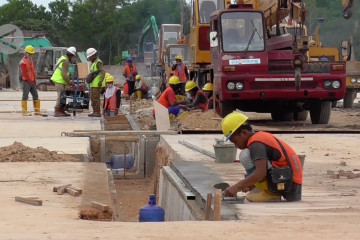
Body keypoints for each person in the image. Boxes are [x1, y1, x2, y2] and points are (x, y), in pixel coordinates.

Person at [221, 112, 303, 202]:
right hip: (291, 184)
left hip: (290, 185)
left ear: (244, 133)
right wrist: (248, 185)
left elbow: (261, 173)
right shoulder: (260, 137)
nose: (236, 146)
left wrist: (237, 187)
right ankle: (264, 189)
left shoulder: (256, 144)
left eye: (235, 141)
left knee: (245, 155)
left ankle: (271, 194)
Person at [50, 46, 77, 117]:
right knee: (60, 96)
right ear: (71, 55)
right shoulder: (65, 62)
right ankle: (57, 111)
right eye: (73, 56)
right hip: (59, 80)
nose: (73, 58)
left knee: (62, 96)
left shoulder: (63, 58)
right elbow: (64, 75)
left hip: (59, 80)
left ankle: (61, 111)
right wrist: (70, 83)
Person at [19, 45, 41, 116]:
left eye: (31, 54)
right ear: (26, 53)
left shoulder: (31, 61)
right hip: (26, 82)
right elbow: (24, 73)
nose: (31, 55)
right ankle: (24, 112)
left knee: (36, 96)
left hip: (32, 82)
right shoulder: (23, 62)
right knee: (25, 96)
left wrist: (34, 81)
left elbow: (32, 72)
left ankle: (37, 111)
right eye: (29, 53)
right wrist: (30, 81)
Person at [86, 48, 105, 117]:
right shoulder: (93, 63)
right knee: (92, 98)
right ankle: (94, 111)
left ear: (94, 55)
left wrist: (101, 81)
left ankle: (97, 112)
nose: (90, 59)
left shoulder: (98, 62)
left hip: (97, 84)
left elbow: (103, 72)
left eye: (90, 57)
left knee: (96, 98)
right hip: (93, 84)